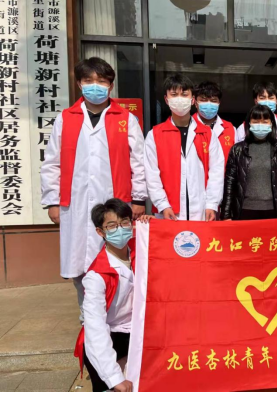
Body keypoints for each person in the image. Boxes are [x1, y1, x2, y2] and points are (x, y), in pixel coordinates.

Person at [41, 57, 147, 322]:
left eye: (101, 81)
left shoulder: (126, 119)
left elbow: (139, 161)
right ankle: (88, 315)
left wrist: (138, 199)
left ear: (111, 85)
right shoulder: (66, 119)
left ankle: (119, 316)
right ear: (79, 84)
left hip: (116, 202)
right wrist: (52, 201)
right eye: (88, 80)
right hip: (75, 205)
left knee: (117, 257)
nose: (95, 86)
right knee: (79, 262)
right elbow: (52, 162)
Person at [74, 199, 152, 393]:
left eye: (124, 222)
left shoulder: (142, 251)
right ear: (100, 232)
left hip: (141, 332)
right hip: (112, 337)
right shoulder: (96, 276)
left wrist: (155, 226)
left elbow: (169, 246)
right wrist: (114, 377)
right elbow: (95, 329)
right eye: (111, 225)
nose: (120, 229)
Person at [144, 74, 225, 221]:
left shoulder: (207, 134)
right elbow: (151, 174)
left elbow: (216, 171)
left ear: (192, 100)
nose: (179, 99)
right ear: (166, 99)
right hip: (168, 212)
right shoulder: (155, 134)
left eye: (184, 94)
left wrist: (212, 204)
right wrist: (163, 205)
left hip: (201, 211)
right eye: (174, 94)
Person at [221, 105, 277, 221]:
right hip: (244, 211)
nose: (260, 125)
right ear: (249, 124)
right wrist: (226, 214)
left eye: (265, 122)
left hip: (274, 211)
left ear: (272, 124)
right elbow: (230, 183)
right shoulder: (237, 150)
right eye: (256, 121)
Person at [235, 82, 277, 146]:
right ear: (256, 101)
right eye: (262, 98)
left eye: (271, 98)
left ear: (276, 101)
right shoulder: (243, 129)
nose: (267, 102)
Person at [193, 81, 237, 164]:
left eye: (213, 101)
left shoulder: (230, 129)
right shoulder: (188, 127)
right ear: (195, 103)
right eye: (203, 100)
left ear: (219, 103)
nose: (209, 104)